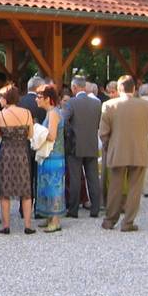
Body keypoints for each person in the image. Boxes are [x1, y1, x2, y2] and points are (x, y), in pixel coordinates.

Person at [99, 75, 148, 232]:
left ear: (119, 89)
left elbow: (103, 132)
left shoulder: (108, 105)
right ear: (134, 88)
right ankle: (128, 222)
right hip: (139, 150)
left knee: (114, 186)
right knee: (135, 188)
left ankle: (109, 220)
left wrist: (108, 145)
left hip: (116, 150)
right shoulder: (146, 106)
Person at [0, 85, 35, 234]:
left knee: (5, 190)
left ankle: (6, 226)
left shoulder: (0, 115)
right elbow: (30, 134)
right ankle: (28, 225)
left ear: (5, 98)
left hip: (6, 153)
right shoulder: (27, 113)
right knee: (25, 189)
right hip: (22, 152)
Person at [64, 77, 102, 218]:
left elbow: (64, 119)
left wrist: (70, 132)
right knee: (92, 178)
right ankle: (95, 208)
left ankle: (73, 210)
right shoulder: (96, 103)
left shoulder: (71, 103)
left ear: (74, 87)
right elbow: (98, 123)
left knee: (75, 178)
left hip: (75, 145)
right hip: (91, 143)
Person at [34, 85, 65, 232]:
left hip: (54, 157)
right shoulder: (50, 113)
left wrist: (36, 130)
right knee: (46, 187)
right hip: (49, 156)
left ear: (48, 99)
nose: (36, 99)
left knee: (53, 188)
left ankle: (55, 219)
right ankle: (49, 216)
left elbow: (52, 135)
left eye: (39, 97)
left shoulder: (53, 113)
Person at [18, 76, 46, 206]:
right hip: (39, 143)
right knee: (38, 176)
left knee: (24, 177)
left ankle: (23, 207)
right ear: (38, 87)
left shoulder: (19, 102)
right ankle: (38, 207)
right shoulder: (43, 102)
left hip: (21, 143)